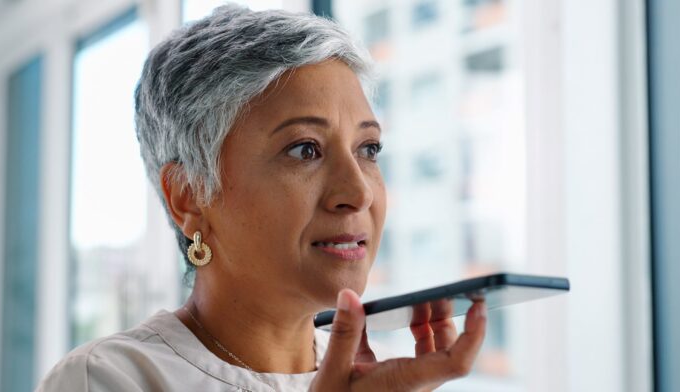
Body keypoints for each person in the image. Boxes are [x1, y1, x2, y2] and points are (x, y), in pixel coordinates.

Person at [37, 4, 487, 391]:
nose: (359, 192)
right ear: (190, 197)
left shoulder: (379, 377)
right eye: (304, 149)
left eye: (368, 150)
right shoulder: (107, 379)